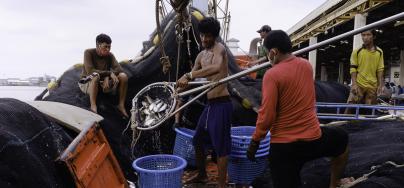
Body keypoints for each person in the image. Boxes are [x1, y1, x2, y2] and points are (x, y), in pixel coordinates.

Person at [246, 30, 351, 188]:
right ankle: (334, 183)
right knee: (342, 140)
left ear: (273, 52)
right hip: (313, 139)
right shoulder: (306, 66)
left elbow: (267, 116)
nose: (268, 58)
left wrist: (254, 142)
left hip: (284, 148)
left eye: (268, 54)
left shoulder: (272, 75)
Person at [177, 17, 232, 188]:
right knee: (198, 140)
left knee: (221, 147)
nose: (204, 39)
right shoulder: (201, 55)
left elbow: (215, 68)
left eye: (208, 36)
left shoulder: (219, 49)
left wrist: (190, 75)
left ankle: (222, 185)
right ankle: (202, 175)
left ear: (214, 36)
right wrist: (178, 92)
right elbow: (189, 80)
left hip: (222, 103)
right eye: (202, 35)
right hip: (210, 105)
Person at [79, 33, 129, 118]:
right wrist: (109, 73)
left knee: (123, 76)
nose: (108, 49)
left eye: (109, 47)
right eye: (105, 47)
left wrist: (107, 77)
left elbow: (119, 69)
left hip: (102, 83)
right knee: (95, 76)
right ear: (98, 45)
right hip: (88, 83)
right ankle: (93, 106)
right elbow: (91, 72)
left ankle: (121, 105)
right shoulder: (88, 52)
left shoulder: (110, 55)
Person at [347, 30, 384, 106]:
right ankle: (344, 118)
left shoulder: (379, 52)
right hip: (359, 84)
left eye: (368, 35)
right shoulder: (357, 51)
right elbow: (353, 68)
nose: (365, 37)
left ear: (374, 36)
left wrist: (380, 85)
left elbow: (380, 69)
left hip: (373, 85)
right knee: (350, 105)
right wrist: (354, 84)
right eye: (363, 35)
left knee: (370, 109)